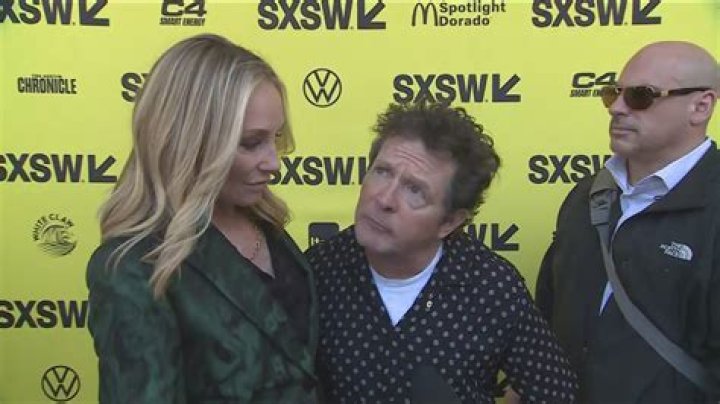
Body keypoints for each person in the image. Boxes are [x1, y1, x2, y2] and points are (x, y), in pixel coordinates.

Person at [86, 34, 319, 403]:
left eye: (275, 138)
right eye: (251, 142)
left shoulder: (267, 226)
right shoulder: (134, 267)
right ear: (191, 141)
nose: (274, 163)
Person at [306, 101, 578, 403]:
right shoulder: (315, 271)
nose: (384, 199)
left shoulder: (492, 286)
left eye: (414, 190)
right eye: (382, 172)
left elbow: (553, 390)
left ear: (449, 222)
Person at [536, 41, 720, 403]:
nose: (617, 108)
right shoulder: (586, 195)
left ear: (700, 106)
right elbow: (549, 307)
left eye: (641, 96)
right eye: (613, 93)